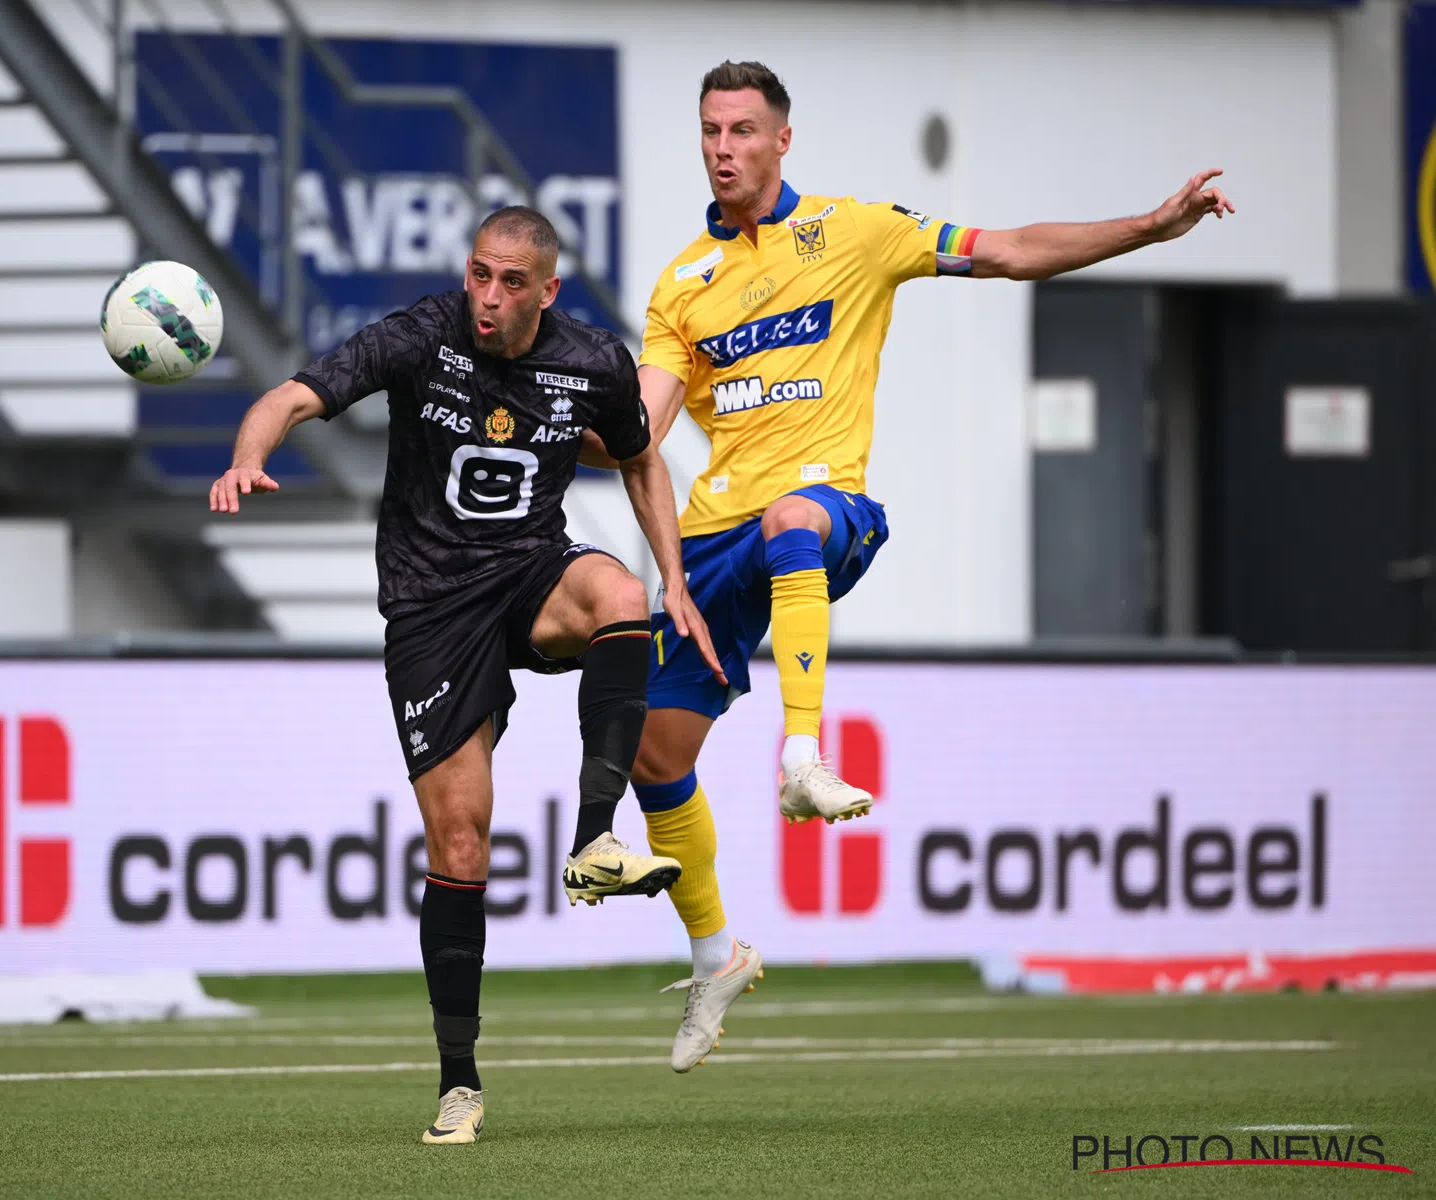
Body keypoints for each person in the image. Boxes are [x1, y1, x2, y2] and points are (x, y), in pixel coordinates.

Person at [581, 60, 1235, 1073]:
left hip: (820, 507)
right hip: (709, 539)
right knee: (658, 760)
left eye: (743, 130)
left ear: (783, 140)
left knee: (794, 515)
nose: (722, 149)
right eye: (710, 131)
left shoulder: (858, 230)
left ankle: (802, 760)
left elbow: (1010, 250)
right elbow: (640, 430)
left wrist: (1149, 228)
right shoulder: (681, 284)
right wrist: (529, 411)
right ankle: (716, 955)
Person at [209, 206, 722, 1145]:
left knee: (617, 592)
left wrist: (675, 580)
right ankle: (460, 1083)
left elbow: (642, 456)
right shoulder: (419, 336)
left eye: (510, 282)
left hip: (530, 574)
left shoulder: (592, 361)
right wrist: (249, 460)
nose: (488, 297)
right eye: (479, 275)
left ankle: (597, 841)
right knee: (460, 844)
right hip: (431, 609)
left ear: (547, 290)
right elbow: (287, 398)